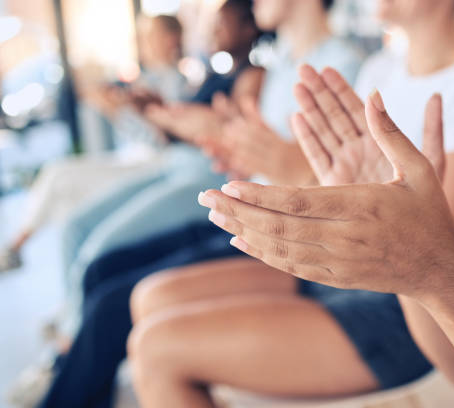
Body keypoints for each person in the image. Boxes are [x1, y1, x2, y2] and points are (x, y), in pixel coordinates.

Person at [126, 0, 454, 407]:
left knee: (158, 349)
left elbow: (429, 241)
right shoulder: (379, 70)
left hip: (418, 313)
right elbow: (347, 190)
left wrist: (295, 170)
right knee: (150, 298)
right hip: (343, 269)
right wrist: (278, 166)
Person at [33, 1, 364, 408]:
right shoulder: (284, 64)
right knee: (103, 269)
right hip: (247, 209)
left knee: (110, 305)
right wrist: (231, 144)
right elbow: (281, 160)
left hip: (277, 229)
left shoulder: (342, 65)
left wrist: (241, 145)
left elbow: (327, 182)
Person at [0, 14, 188, 273]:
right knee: (61, 181)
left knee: (62, 182)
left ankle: (19, 247)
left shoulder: (178, 83)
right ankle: (45, 264)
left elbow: (163, 141)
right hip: (136, 157)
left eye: (150, 35)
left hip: (152, 164)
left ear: (170, 39)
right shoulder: (151, 79)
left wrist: (116, 112)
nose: (143, 41)